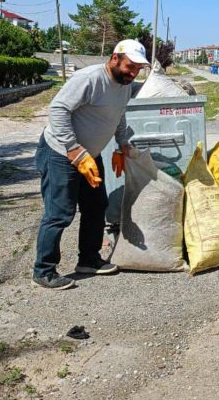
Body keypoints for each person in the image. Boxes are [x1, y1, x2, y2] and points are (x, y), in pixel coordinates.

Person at [31, 39, 147, 289]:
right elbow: (58, 110)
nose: (133, 73)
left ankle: (89, 260)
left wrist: (122, 142)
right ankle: (44, 270)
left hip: (89, 156)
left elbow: (119, 114)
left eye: (138, 69)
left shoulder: (124, 85)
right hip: (60, 153)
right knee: (60, 213)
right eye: (130, 66)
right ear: (115, 58)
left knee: (97, 207)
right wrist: (73, 149)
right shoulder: (90, 78)